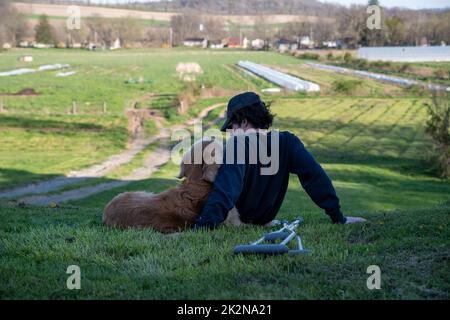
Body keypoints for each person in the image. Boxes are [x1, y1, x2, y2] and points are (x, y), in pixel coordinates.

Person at [194, 92, 366, 229]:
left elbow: (226, 190)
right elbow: (316, 177)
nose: (230, 132)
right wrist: (338, 217)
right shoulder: (287, 141)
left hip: (235, 222)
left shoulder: (238, 143)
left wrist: (202, 226)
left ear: (244, 121)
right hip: (264, 220)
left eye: (232, 127)